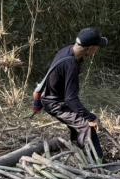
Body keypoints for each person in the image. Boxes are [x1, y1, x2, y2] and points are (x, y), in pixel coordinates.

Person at [34, 27, 108, 161]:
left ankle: (79, 153)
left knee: (78, 123)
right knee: (86, 126)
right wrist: (91, 117)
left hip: (57, 99)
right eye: (97, 47)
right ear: (90, 48)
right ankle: (98, 162)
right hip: (55, 103)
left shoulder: (69, 51)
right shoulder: (70, 64)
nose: (97, 51)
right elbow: (71, 99)